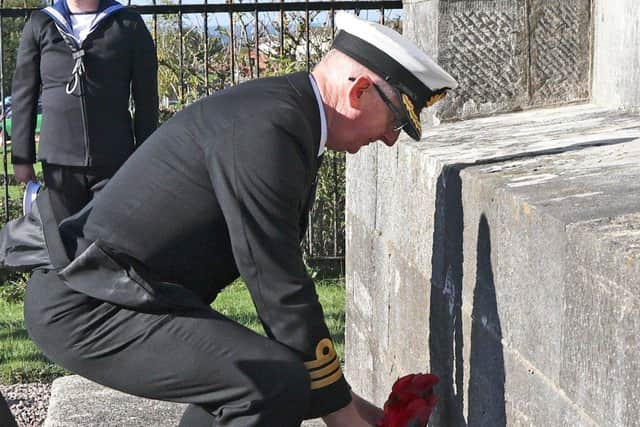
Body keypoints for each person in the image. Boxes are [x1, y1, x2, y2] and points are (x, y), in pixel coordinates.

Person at [3, 11, 457, 427]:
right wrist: (345, 420)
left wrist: (361, 413)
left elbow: (286, 309)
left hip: (125, 294)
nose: (392, 140)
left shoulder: (287, 119)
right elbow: (280, 288)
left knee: (259, 373)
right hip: (89, 304)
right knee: (270, 383)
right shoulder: (271, 128)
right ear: (359, 91)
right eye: (396, 119)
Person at [10, 0, 158, 222]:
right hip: (59, 163)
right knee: (63, 244)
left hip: (114, 160)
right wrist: (22, 157)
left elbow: (146, 98)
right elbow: (24, 94)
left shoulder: (128, 24)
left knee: (107, 241)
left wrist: (145, 155)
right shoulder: (41, 23)